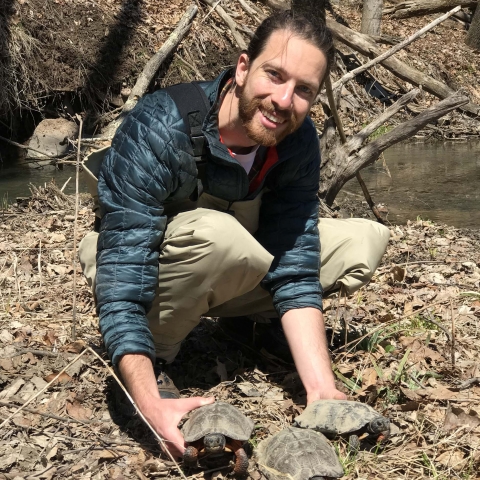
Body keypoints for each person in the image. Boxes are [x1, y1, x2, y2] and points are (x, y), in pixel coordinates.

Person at [78, 11, 390, 458]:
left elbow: (296, 260)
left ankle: (254, 327)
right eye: (274, 75)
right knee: (219, 236)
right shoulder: (158, 128)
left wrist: (323, 391)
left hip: (228, 266)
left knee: (363, 240)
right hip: (134, 263)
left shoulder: (296, 142)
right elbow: (124, 278)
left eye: (303, 89)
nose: (284, 100)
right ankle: (156, 356)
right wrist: (147, 402)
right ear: (242, 69)